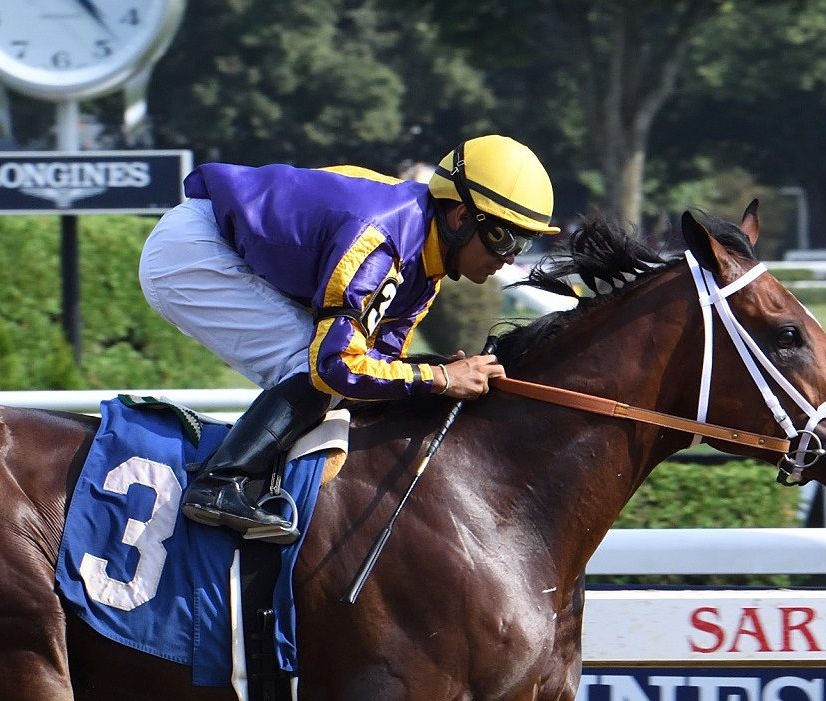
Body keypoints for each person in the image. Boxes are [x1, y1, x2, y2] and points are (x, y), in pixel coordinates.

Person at [138, 135, 560, 543]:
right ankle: (220, 482)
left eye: (526, 242)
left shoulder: (423, 266)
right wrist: (440, 379)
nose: (511, 258)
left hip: (221, 246)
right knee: (310, 364)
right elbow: (335, 367)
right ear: (461, 217)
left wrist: (435, 372)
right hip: (192, 252)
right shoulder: (384, 242)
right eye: (505, 237)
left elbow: (380, 364)